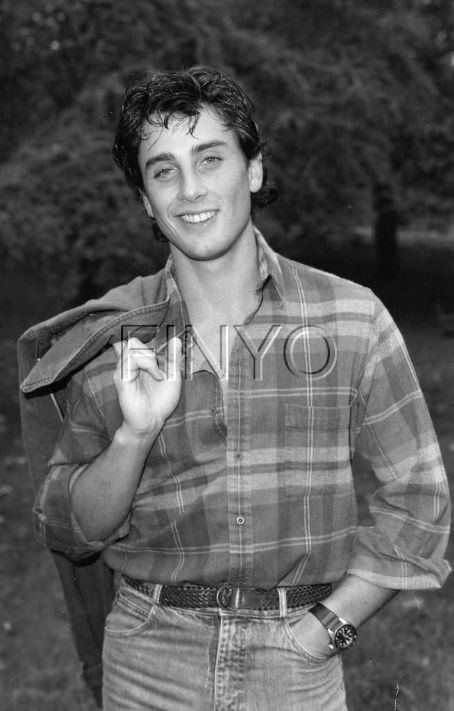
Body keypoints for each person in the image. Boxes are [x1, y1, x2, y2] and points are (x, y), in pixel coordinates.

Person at [25, 66, 450, 710]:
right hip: (149, 661)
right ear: (145, 199)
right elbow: (68, 528)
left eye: (210, 157)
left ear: (252, 169)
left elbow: (419, 499)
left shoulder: (351, 318)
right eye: (163, 169)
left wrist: (324, 629)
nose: (190, 188)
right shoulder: (114, 337)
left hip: (298, 666)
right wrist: (135, 435)